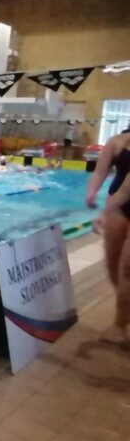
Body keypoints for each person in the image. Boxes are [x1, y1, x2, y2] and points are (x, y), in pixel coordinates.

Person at [85, 129, 130, 343]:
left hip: (119, 201)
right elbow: (99, 173)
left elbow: (126, 189)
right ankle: (125, 307)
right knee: (113, 266)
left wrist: (104, 212)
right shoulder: (117, 142)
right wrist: (92, 193)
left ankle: (119, 325)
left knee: (128, 269)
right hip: (118, 209)